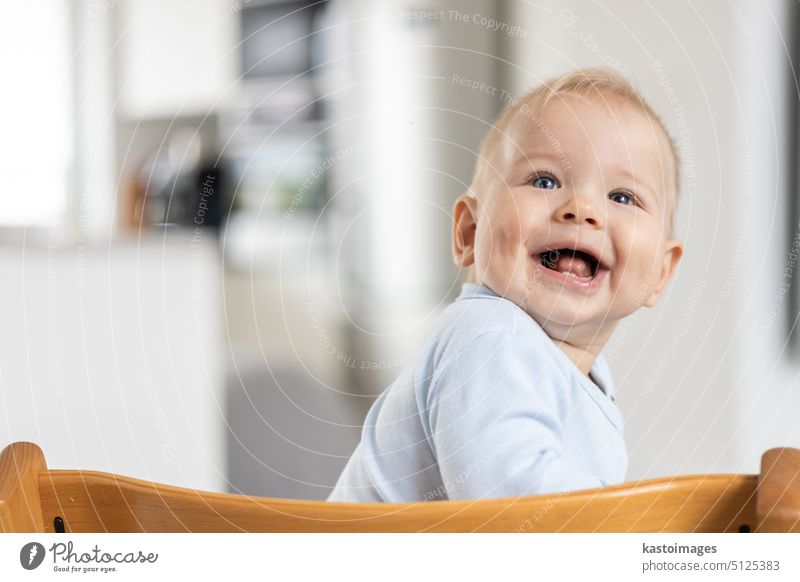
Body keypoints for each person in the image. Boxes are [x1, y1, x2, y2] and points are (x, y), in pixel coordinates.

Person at [327, 68, 684, 502]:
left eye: (622, 197)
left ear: (660, 274)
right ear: (468, 232)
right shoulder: (491, 335)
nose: (583, 209)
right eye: (544, 180)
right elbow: (509, 509)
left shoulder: (579, 374)